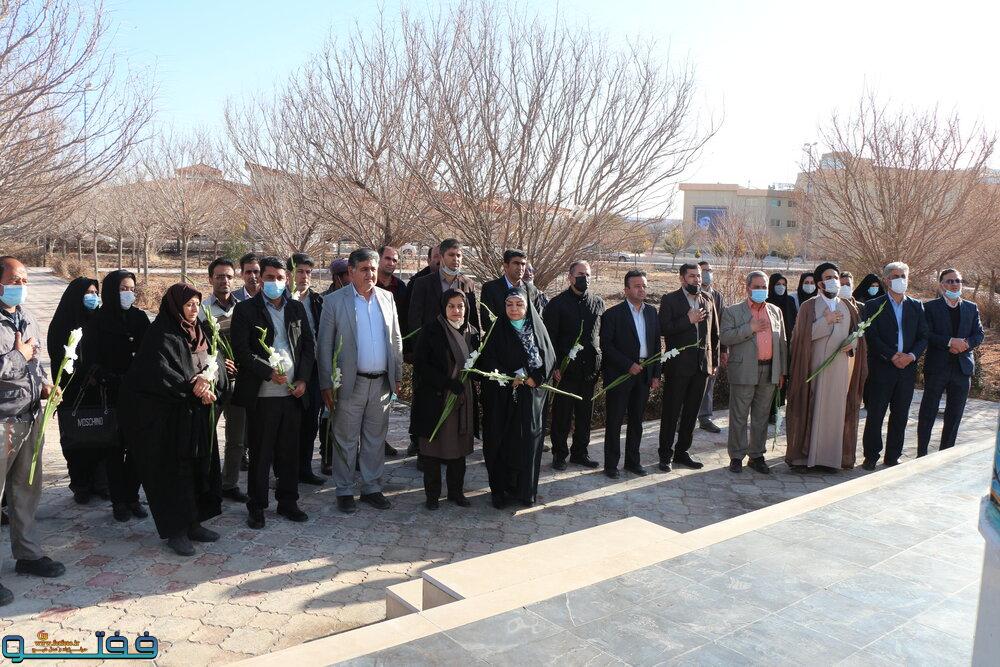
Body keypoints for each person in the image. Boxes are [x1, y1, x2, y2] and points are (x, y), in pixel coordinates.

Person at [118, 284, 228, 556]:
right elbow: (158, 374)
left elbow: (216, 361)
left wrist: (209, 381)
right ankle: (175, 531)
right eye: (188, 304)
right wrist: (193, 387)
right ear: (175, 306)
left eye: (197, 304)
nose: (193, 310)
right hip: (168, 420)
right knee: (172, 475)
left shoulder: (201, 331)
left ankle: (194, 523)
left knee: (197, 470)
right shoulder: (160, 334)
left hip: (197, 416)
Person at [0, 256, 66, 607]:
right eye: (15, 280)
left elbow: (35, 363)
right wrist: (18, 355)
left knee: (25, 490)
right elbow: (17, 360)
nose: (22, 286)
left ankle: (27, 554)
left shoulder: (27, 318)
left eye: (25, 280)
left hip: (28, 417)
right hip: (1, 420)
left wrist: (45, 386)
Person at [231, 256, 315, 529]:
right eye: (269, 277)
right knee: (261, 453)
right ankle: (257, 506)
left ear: (286, 279)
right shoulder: (245, 310)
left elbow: (307, 346)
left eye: (279, 278)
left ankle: (288, 501)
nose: (274, 282)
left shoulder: (296, 308)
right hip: (262, 395)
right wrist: (267, 371)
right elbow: (241, 351)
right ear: (260, 279)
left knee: (289, 452)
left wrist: (302, 379)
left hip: (292, 395)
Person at [318, 248, 404, 514]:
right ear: (351, 271)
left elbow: (396, 339)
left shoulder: (387, 298)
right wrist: (326, 384)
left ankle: (371, 487)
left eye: (373, 269)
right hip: (348, 384)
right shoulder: (335, 302)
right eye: (364, 269)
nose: (370, 274)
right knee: (345, 439)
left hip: (380, 383)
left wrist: (397, 375)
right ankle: (344, 490)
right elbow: (324, 345)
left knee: (375, 439)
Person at [80, 270, 151, 522]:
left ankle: (133, 497)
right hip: (110, 395)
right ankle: (118, 501)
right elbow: (89, 360)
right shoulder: (98, 321)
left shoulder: (140, 317)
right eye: (122, 289)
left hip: (139, 394)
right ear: (111, 291)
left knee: (138, 449)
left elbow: (151, 352)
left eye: (131, 288)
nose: (128, 293)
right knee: (114, 450)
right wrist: (110, 378)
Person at [785, 262, 867, 470]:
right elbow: (800, 338)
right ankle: (809, 457)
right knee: (814, 408)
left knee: (836, 411)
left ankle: (831, 459)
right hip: (815, 368)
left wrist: (852, 344)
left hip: (840, 368)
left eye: (836, 277)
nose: (834, 281)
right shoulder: (809, 306)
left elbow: (857, 335)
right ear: (820, 283)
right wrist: (825, 321)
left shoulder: (848, 306)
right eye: (828, 278)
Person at [476, 287, 555, 507]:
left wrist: (536, 378)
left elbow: (549, 357)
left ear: (527, 307)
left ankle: (524, 492)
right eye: (509, 304)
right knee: (501, 442)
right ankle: (500, 492)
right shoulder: (497, 330)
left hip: (530, 397)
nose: (514, 309)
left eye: (519, 304)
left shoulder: (537, 328)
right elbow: (487, 360)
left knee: (527, 443)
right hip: (502, 399)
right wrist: (511, 376)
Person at [407, 239, 480, 458]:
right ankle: (422, 448)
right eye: (451, 255)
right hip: (431, 356)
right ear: (441, 257)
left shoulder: (468, 284)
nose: (456, 259)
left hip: (458, 356)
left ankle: (454, 449)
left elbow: (473, 322)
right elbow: (415, 320)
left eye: (459, 256)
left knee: (456, 403)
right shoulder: (423, 283)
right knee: (427, 402)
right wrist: (420, 354)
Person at [411, 290, 478, 509]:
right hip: (436, 399)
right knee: (433, 448)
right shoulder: (431, 330)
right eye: (451, 306)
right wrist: (446, 383)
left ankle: (456, 492)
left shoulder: (472, 332)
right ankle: (432, 496)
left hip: (462, 400)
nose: (456, 310)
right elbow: (421, 365)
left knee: (459, 448)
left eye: (460, 306)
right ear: (443, 307)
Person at [861, 262, 928, 469]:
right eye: (896, 276)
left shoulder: (916, 306)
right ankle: (871, 456)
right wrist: (891, 355)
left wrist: (911, 356)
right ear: (887, 280)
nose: (900, 280)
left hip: (906, 369)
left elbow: (923, 336)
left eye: (903, 276)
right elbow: (872, 336)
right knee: (876, 414)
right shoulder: (874, 305)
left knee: (900, 415)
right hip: (882, 368)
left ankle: (893, 456)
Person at [720, 272, 788, 474]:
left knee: (761, 417)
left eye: (764, 287)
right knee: (739, 416)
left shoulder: (775, 311)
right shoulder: (733, 311)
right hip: (744, 370)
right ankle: (736, 456)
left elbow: (782, 343)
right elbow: (725, 337)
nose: (761, 290)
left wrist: (782, 371)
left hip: (769, 370)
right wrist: (750, 328)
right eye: (757, 287)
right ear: (747, 288)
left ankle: (756, 455)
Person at [657, 263, 720, 471]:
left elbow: (714, 334)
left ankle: (682, 452)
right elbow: (664, 328)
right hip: (678, 367)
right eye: (692, 276)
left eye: (699, 276)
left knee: (691, 413)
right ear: (682, 278)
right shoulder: (670, 300)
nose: (697, 279)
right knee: (671, 412)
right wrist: (687, 320)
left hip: (702, 367)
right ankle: (665, 455)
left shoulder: (707, 299)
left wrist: (714, 362)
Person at [599, 270, 661, 478]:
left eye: (644, 286)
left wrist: (655, 374)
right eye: (636, 286)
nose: (641, 290)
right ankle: (611, 465)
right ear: (626, 290)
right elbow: (606, 346)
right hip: (620, 375)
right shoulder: (612, 314)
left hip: (644, 374)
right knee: (615, 421)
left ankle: (633, 462)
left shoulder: (651, 312)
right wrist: (628, 365)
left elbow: (655, 345)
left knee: (636, 421)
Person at [543, 260, 604, 470]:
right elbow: (550, 339)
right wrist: (555, 367)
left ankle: (580, 453)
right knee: (562, 415)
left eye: (587, 275)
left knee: (585, 415)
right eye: (580, 275)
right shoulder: (556, 304)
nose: (584, 278)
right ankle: (559, 454)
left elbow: (601, 334)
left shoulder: (598, 303)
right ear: (570, 277)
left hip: (590, 370)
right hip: (566, 371)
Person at [917, 269, 984, 456]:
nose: (954, 284)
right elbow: (926, 334)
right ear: (941, 285)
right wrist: (949, 342)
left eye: (957, 281)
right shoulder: (930, 307)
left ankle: (945, 454)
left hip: (962, 369)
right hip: (937, 367)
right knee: (928, 412)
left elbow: (979, 334)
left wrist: (965, 344)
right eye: (949, 281)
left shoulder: (971, 308)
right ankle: (921, 454)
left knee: (955, 414)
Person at [49, 277, 105, 504]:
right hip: (73, 391)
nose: (93, 297)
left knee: (101, 435)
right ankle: (81, 484)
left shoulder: (101, 320)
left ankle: (101, 483)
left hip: (99, 389)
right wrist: (78, 376)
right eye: (88, 293)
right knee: (76, 439)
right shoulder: (62, 324)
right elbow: (58, 359)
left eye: (95, 293)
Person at [198, 258, 245, 502]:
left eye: (228, 276)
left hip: (239, 383)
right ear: (210, 279)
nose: (224, 281)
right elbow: (197, 346)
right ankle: (206, 483)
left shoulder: (244, 308)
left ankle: (229, 483)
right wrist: (217, 362)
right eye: (219, 276)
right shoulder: (202, 310)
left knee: (237, 439)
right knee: (207, 436)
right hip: (213, 383)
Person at [288, 253, 327, 484]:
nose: (304, 276)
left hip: (313, 371)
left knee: (311, 421)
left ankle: (304, 468)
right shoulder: (281, 300)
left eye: (308, 272)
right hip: (287, 372)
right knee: (288, 424)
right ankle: (285, 472)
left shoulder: (317, 301)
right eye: (299, 272)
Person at [376, 246, 407, 458]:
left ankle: (380, 439)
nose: (391, 263)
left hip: (390, 349)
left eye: (395, 260)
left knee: (384, 401)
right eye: (387, 258)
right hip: (369, 349)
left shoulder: (400, 287)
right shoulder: (368, 284)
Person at [696, 260, 726, 433]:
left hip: (711, 347)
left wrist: (723, 350)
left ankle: (705, 417)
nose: (707, 273)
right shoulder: (691, 295)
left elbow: (721, 325)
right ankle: (681, 419)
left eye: (710, 270)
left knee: (709, 384)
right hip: (693, 348)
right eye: (704, 271)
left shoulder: (717, 296)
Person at [481, 249, 544, 323]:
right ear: (505, 266)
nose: (520, 268)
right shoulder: (490, 289)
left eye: (523, 264)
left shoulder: (531, 290)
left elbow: (538, 320)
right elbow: (486, 320)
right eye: (516, 263)